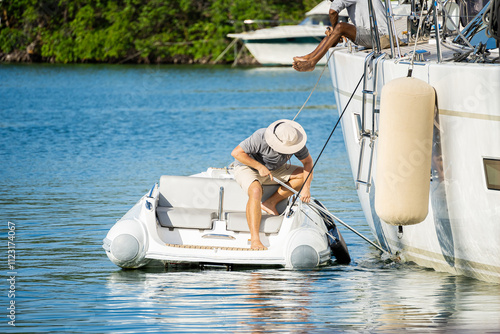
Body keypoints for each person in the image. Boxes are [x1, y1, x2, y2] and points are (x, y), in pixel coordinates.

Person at [231, 120, 314, 250]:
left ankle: (270, 203)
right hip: (247, 167)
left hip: (273, 170)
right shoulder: (260, 136)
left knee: (303, 177)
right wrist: (259, 167)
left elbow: (308, 163)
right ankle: (255, 240)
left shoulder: (295, 141)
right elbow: (236, 153)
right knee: (256, 191)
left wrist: (306, 188)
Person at [293, 0, 390, 72]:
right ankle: (309, 57)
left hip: (381, 37)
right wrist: (336, 33)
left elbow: (333, 12)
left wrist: (336, 30)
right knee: (333, 34)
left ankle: (312, 62)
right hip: (373, 35)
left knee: (340, 27)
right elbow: (358, 27)